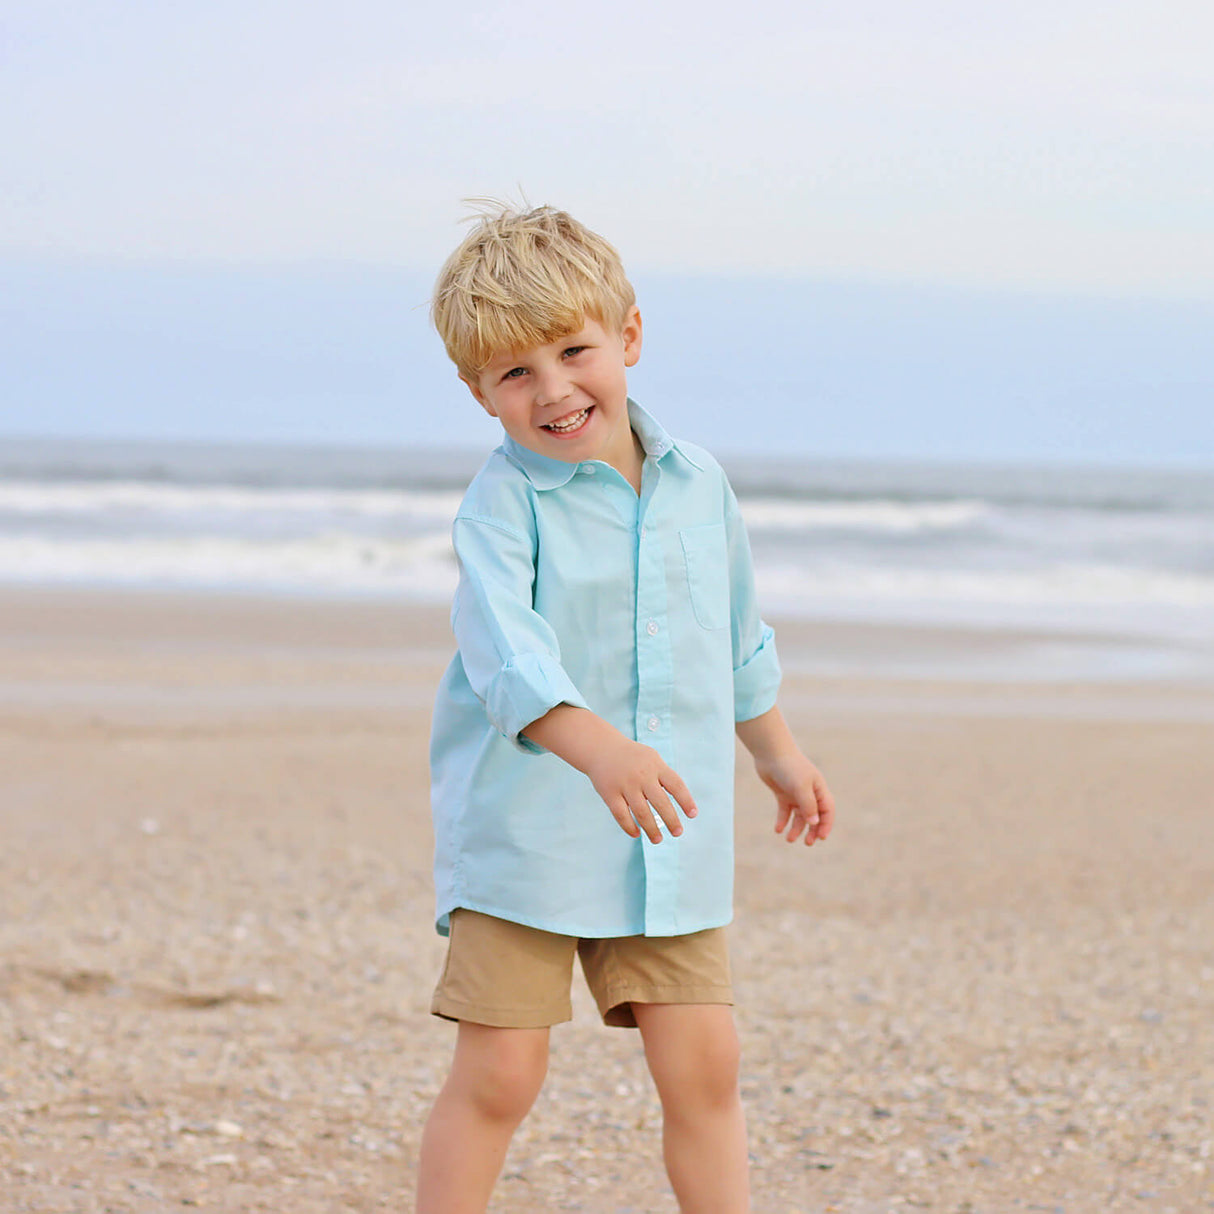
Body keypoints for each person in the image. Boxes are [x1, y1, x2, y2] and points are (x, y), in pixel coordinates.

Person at [417, 203, 835, 1214]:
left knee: (705, 1065)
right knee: (501, 1073)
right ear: (479, 392)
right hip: (526, 838)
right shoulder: (500, 506)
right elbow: (506, 659)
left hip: (667, 838)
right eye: (516, 373)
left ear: (629, 336)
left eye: (574, 352)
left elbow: (734, 631)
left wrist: (775, 751)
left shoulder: (699, 485)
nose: (554, 390)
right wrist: (598, 748)